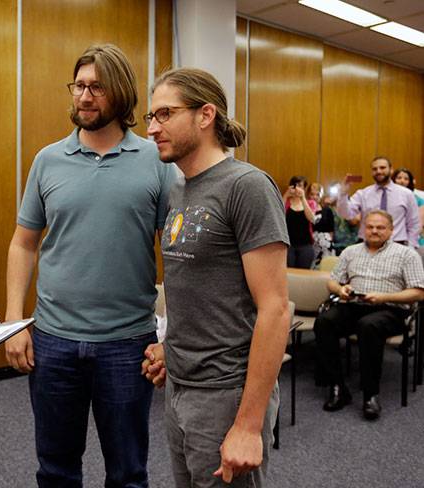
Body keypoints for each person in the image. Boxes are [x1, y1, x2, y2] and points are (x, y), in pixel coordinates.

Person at [4, 44, 174, 487]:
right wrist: (13, 322)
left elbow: (177, 256)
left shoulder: (157, 162)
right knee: (56, 471)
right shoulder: (47, 160)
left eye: (96, 87)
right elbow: (23, 244)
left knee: (128, 472)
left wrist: (169, 332)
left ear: (120, 93)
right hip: (53, 341)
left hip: (127, 342)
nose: (84, 96)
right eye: (78, 86)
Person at [142, 68, 289, 487]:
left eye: (165, 114)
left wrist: (247, 424)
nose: (153, 128)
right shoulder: (180, 190)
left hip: (227, 394)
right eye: (151, 117)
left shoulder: (247, 186)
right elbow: (198, 289)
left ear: (205, 115)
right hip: (180, 387)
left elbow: (275, 310)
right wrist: (172, 349)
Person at [314, 210, 424, 420]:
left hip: (391, 309)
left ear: (391, 230)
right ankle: (338, 387)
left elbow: (419, 292)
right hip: (355, 304)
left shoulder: (407, 254)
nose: (374, 231)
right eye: (370, 227)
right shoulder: (350, 251)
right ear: (364, 229)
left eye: (380, 227)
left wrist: (384, 297)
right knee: (324, 321)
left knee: (369, 325)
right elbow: (333, 280)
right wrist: (340, 290)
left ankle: (370, 394)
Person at [337, 156, 420, 247]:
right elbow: (345, 214)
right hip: (367, 244)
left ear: (391, 170)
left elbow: (414, 223)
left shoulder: (406, 194)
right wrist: (343, 193)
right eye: (374, 169)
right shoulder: (363, 194)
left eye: (382, 168)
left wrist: (411, 247)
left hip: (397, 244)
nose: (379, 171)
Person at [283, 175, 318, 268]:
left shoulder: (310, 203)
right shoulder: (286, 202)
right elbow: (278, 214)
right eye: (295, 186)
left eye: (301, 186)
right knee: (289, 272)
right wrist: (286, 195)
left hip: (305, 244)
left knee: (304, 273)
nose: (298, 189)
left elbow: (312, 218)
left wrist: (302, 198)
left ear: (305, 188)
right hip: (288, 244)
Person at [392, 167, 424, 248]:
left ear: (410, 182)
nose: (402, 181)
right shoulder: (388, 197)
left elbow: (419, 225)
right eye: (399, 178)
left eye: (406, 179)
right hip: (392, 236)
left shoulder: (418, 200)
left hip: (413, 239)